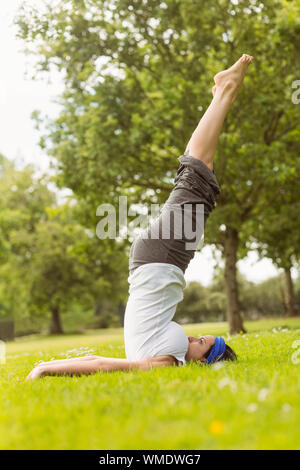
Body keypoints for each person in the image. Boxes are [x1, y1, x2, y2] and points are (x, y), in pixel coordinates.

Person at [25, 54, 253, 381]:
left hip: (160, 259)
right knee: (202, 189)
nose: (193, 337)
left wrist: (44, 369)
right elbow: (99, 359)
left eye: (202, 342)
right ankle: (222, 93)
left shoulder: (166, 363)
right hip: (162, 261)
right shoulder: (170, 356)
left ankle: (226, 91)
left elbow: (101, 363)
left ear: (204, 362)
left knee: (195, 177)